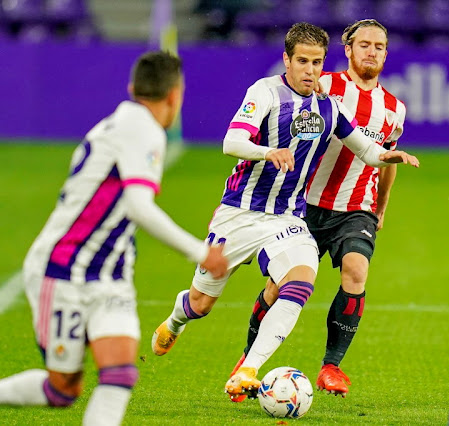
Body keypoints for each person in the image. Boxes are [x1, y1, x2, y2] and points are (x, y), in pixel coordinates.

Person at [150, 22, 419, 400]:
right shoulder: (265, 92)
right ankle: (176, 320)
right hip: (240, 213)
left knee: (299, 283)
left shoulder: (329, 105)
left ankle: (248, 369)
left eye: (317, 62)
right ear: (287, 61)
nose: (310, 70)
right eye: (304, 61)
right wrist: (268, 152)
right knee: (201, 303)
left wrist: (390, 155)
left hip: (287, 218)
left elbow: (367, 150)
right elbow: (231, 141)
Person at [0, 51, 228, 426]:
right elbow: (139, 206)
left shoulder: (118, 123)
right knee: (62, 390)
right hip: (64, 270)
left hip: (110, 273)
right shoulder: (144, 130)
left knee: (120, 373)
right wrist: (201, 252)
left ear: (132, 89)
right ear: (175, 95)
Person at [230, 19, 405, 399]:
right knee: (278, 287)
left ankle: (332, 367)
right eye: (364, 44)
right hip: (302, 203)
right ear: (349, 50)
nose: (372, 51)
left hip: (355, 207)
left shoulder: (394, 109)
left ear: (386, 53)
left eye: (379, 46)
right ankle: (247, 361)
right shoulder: (325, 85)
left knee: (356, 272)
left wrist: (381, 206)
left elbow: (384, 158)